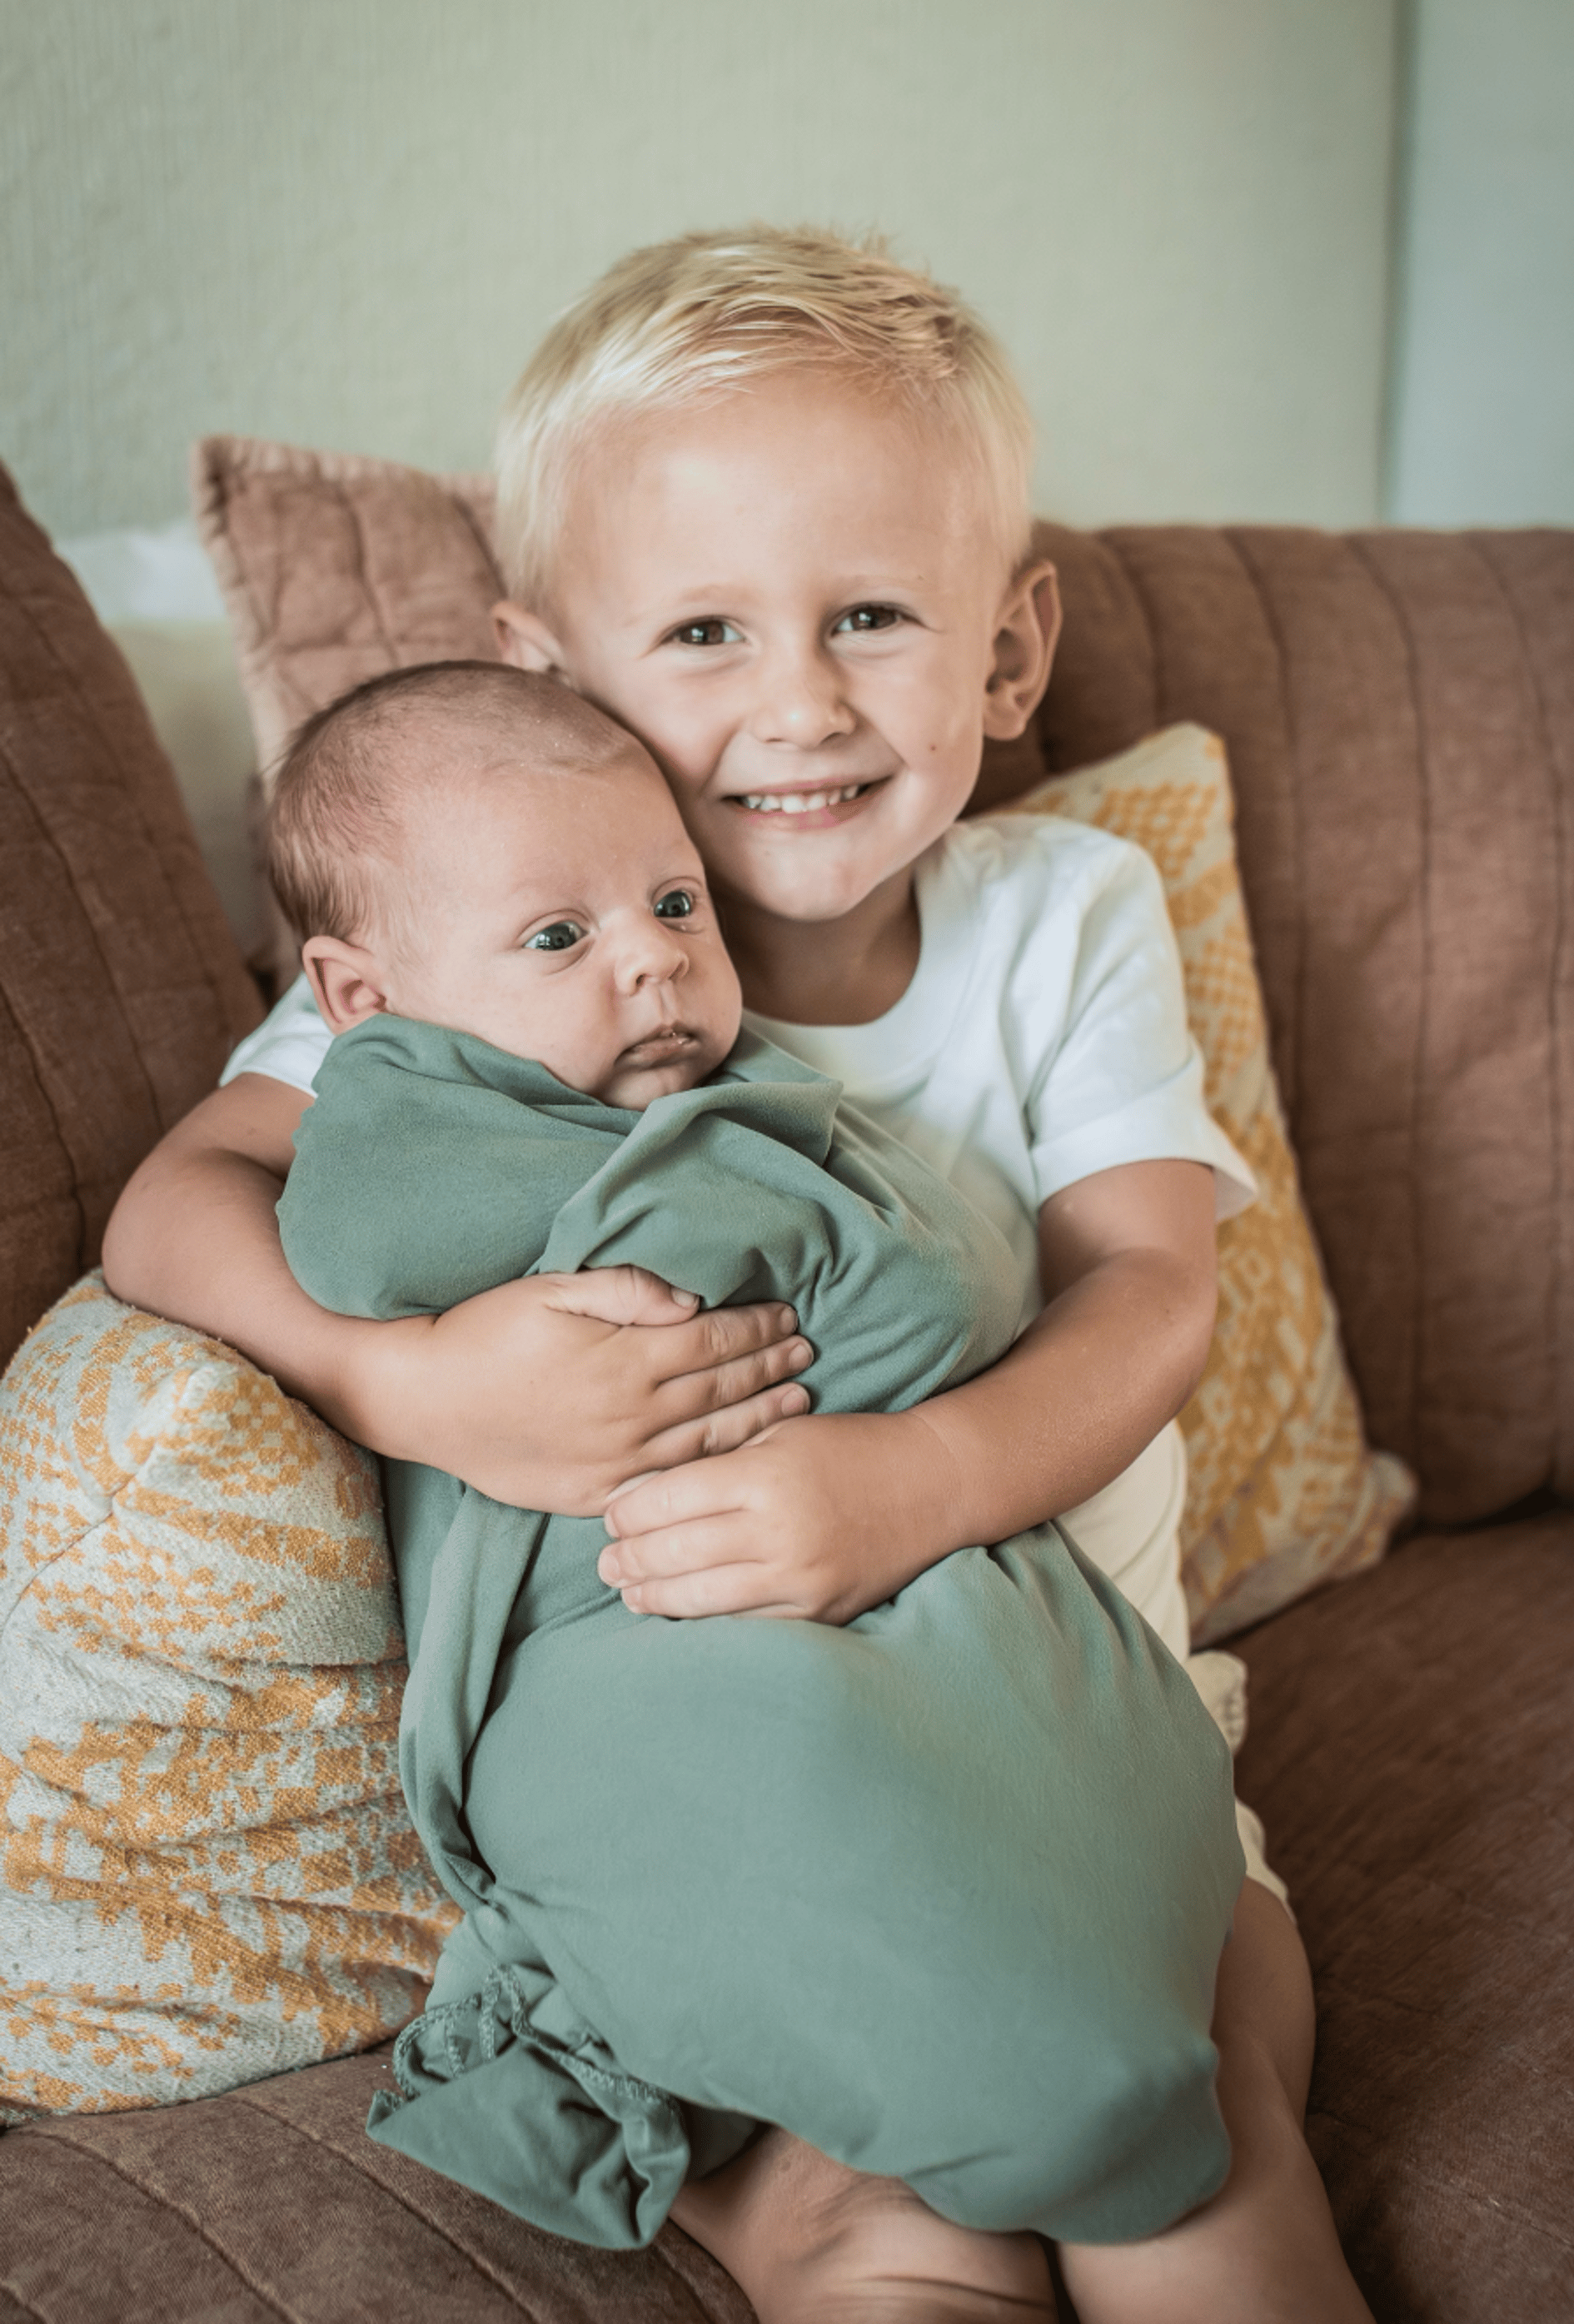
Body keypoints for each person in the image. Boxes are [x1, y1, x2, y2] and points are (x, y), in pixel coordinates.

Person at [104, 226, 1374, 2322]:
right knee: (908, 2222)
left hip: (1093, 1728)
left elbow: (1151, 1290)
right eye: (703, 630)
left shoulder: (1058, 914)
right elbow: (177, 1204)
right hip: (728, 1774)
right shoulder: (491, 962)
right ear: (553, 672)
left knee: (1208, 2131)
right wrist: (406, 1383)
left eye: (873, 615)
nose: (799, 702)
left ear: (1007, 651)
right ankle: (800, 2203)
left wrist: (913, 1486)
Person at [265, 656, 1243, 2252]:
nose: (650, 961)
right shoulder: (403, 1117)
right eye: (564, 938)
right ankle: (1049, 2088)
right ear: (364, 1001)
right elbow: (298, 1218)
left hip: (883, 1562)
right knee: (771, 1780)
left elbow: (982, 1288)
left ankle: (1086, 2047)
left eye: (674, 904)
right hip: (631, 1639)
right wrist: (425, 1376)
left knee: (1049, 1757)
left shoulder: (760, 1077)